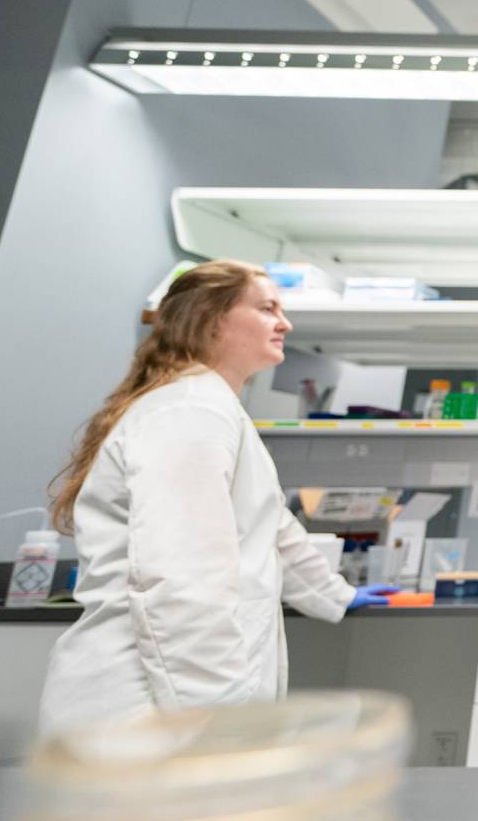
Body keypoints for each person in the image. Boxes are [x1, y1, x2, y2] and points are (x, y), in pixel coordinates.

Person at [39, 260, 393, 733]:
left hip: (173, 699)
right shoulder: (189, 412)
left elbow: (270, 525)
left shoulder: (211, 406)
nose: (285, 324)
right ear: (210, 319)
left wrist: (334, 593)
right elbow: (181, 577)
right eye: (267, 308)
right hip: (146, 708)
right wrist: (217, 716)